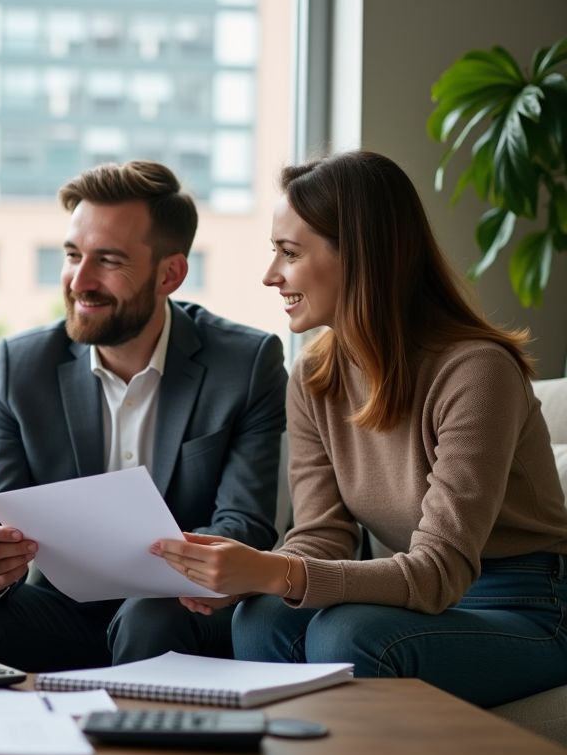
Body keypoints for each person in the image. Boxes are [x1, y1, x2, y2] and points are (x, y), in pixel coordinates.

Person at [152, 150, 567, 707]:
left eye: (289, 253)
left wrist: (275, 570)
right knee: (258, 618)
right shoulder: (315, 376)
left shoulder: (476, 372)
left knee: (345, 635)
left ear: (362, 257)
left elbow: (438, 571)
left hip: (524, 604)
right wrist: (252, 579)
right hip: (416, 593)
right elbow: (322, 536)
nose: (271, 275)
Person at [0, 160, 288, 670]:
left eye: (108, 260)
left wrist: (179, 571)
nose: (79, 280)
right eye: (71, 255)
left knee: (150, 617)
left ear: (169, 273)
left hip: (180, 610)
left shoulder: (245, 363)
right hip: (62, 613)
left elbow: (243, 523)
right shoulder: (22, 366)